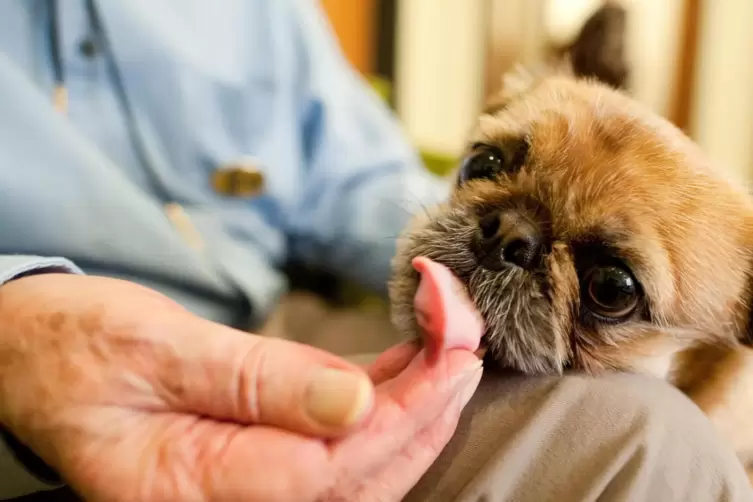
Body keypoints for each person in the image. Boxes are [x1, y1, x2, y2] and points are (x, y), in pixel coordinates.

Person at [0, 1, 750, 501]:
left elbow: (349, 176)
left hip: (271, 317)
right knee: (648, 442)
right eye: (489, 171)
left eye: (607, 286)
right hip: (29, 397)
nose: (506, 237)